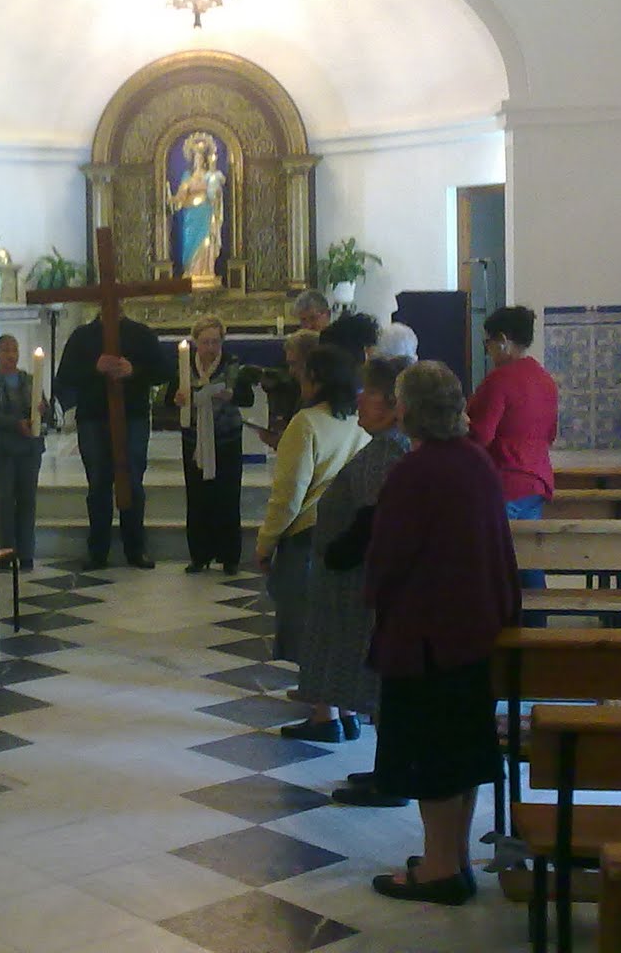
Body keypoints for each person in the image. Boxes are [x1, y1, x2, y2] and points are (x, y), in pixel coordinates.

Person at [365, 360, 520, 904]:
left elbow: (389, 557)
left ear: (407, 409)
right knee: (461, 750)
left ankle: (437, 870)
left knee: (432, 753)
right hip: (474, 629)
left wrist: (374, 598)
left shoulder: (416, 471)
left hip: (427, 634)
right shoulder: (475, 460)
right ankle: (454, 859)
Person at [295, 355, 415, 782]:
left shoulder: (389, 449)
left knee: (374, 678)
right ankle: (386, 770)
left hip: (360, 580)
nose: (359, 398)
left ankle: (390, 775)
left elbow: (375, 517)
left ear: (395, 404)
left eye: (371, 392)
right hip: (352, 579)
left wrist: (339, 552)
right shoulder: (385, 445)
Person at [255, 344, 370, 677]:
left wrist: (265, 543)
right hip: (351, 531)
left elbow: (288, 496)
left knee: (304, 619)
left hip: (309, 533)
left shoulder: (305, 422)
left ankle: (315, 695)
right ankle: (338, 692)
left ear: (316, 379)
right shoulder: (360, 421)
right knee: (341, 619)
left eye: (302, 373)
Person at [54, 312, 176, 569]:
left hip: (132, 416)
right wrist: (94, 368)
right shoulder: (82, 336)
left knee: (132, 480)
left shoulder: (140, 333)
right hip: (93, 417)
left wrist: (134, 370)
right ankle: (98, 551)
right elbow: (64, 376)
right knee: (98, 483)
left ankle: (135, 548)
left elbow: (165, 370)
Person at [174, 315, 254, 575]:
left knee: (227, 496)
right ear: (195, 342)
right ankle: (200, 555)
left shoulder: (232, 364)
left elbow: (248, 398)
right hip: (194, 439)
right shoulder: (185, 364)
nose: (210, 347)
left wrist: (231, 394)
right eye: (205, 342)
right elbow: (168, 399)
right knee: (198, 497)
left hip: (226, 438)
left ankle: (229, 556)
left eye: (215, 342)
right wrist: (178, 398)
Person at [468, 306, 558, 522]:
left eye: (488, 343)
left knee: (496, 544)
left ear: (502, 340)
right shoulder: (546, 380)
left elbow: (480, 436)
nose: (488, 351)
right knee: (524, 543)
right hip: (537, 482)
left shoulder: (499, 380)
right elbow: (550, 434)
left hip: (504, 482)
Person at [0, 333, 45, 571]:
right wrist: (15, 424)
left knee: (27, 500)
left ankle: (26, 553)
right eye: (5, 350)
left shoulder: (30, 380)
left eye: (14, 350)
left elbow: (43, 408)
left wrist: (41, 410)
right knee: (5, 500)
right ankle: (4, 553)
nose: (10, 355)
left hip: (29, 448)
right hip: (3, 448)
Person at [169, 133, 226, 279]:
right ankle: (192, 271)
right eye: (196, 157)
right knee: (190, 242)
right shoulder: (187, 176)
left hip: (206, 212)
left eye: (201, 157)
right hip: (192, 215)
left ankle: (207, 271)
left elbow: (216, 194)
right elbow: (181, 197)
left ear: (205, 159)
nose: (198, 160)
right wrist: (173, 199)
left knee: (206, 242)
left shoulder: (210, 176)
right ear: (192, 159)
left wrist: (215, 189)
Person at [252, 328, 318, 449]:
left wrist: (279, 443)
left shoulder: (315, 400)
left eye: (294, 364)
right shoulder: (302, 391)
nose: (291, 371)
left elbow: (304, 447)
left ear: (309, 362)